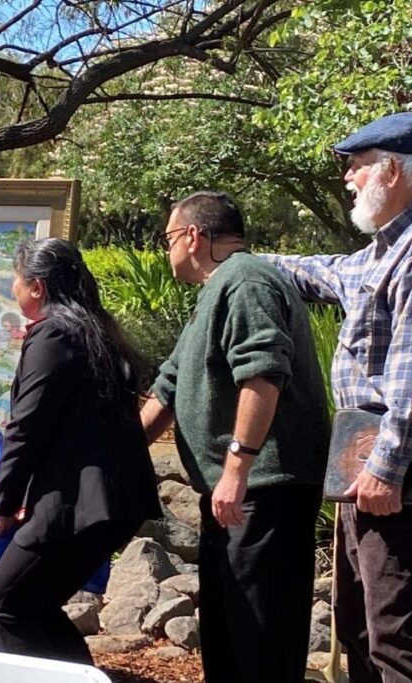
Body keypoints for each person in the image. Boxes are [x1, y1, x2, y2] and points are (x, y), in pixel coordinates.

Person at [262, 112, 412, 682]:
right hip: (368, 473)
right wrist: (242, 261)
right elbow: (325, 273)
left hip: (398, 482)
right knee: (362, 631)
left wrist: (386, 467)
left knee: (401, 647)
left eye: (356, 166)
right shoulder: (387, 248)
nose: (347, 178)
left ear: (391, 169)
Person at [140, 192, 330, 682]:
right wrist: (110, 457)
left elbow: (264, 375)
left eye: (168, 239)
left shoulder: (246, 281)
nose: (168, 251)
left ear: (193, 236)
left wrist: (237, 468)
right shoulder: (218, 289)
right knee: (228, 638)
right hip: (235, 492)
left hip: (265, 491)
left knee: (259, 641)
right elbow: (168, 388)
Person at [0, 237, 161, 665]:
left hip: (81, 503)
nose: (13, 288)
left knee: (4, 604)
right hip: (108, 501)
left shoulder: (54, 334)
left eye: (17, 280)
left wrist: (4, 504)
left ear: (37, 286)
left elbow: (27, 428)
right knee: (34, 607)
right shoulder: (93, 329)